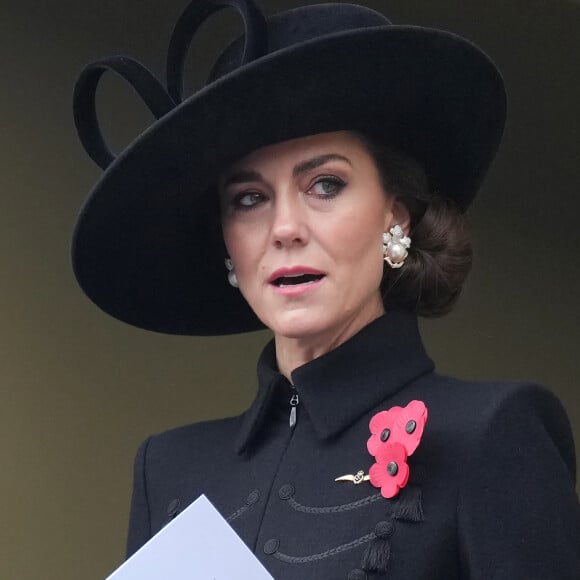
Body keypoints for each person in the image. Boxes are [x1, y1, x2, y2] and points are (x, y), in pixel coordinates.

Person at [71, 1, 580, 578]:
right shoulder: (166, 467)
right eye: (249, 199)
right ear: (227, 243)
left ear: (398, 215)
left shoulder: (490, 433)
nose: (285, 228)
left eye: (325, 184)